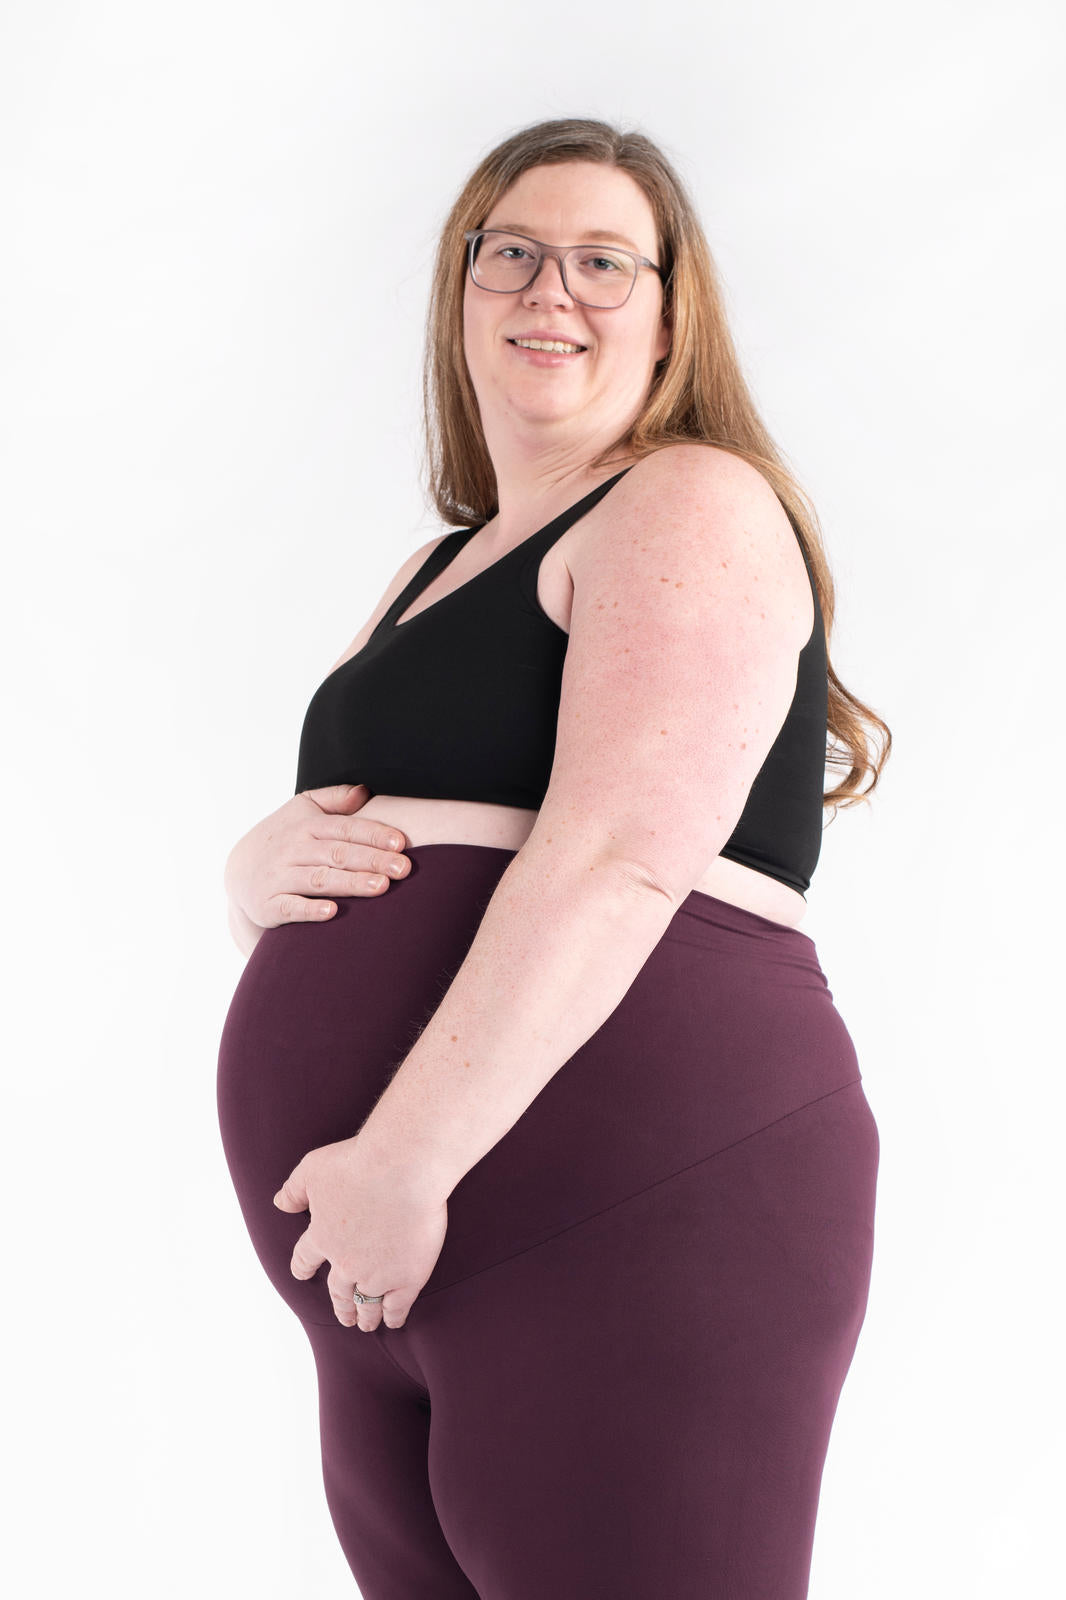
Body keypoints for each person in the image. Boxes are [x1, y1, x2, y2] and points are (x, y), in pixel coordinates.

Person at [217, 116, 891, 1600]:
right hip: (390, 1248)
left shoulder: (689, 499)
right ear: (458, 291)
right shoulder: (433, 564)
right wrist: (251, 875)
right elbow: (372, 834)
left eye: (604, 262)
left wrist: (406, 1157)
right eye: (511, 253)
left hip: (619, 1195)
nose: (551, 291)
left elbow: (620, 859)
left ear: (670, 317)